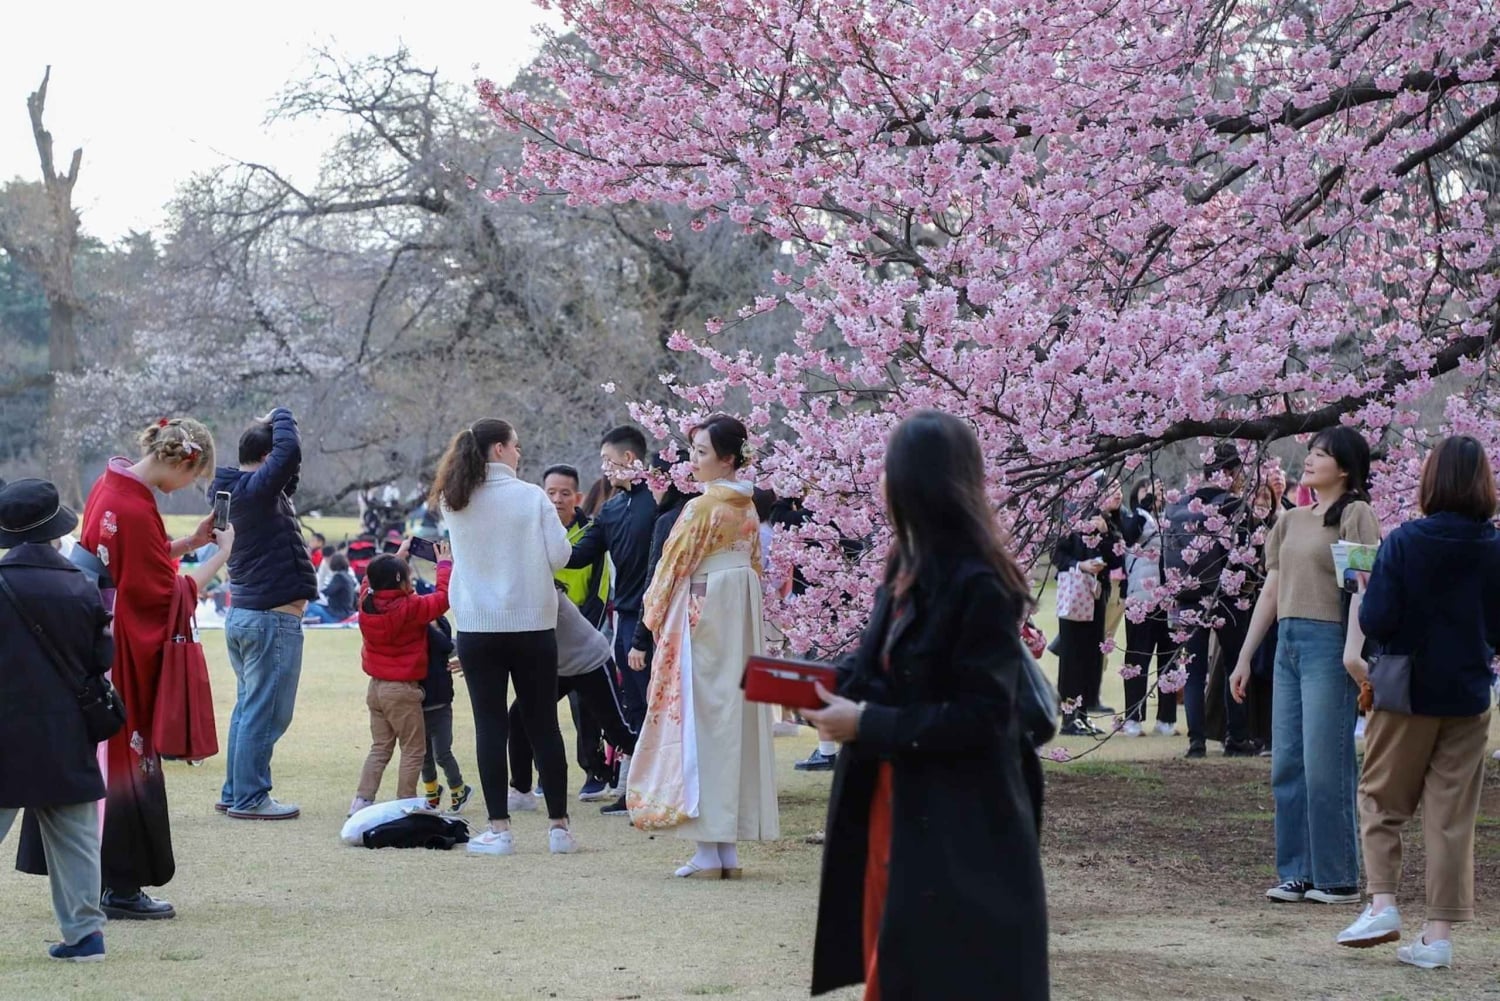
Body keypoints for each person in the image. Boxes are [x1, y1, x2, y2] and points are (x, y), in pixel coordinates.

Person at [805, 410, 1048, 1001]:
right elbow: (872, 668)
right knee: (896, 958)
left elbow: (985, 715)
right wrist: (800, 685)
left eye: (889, 469)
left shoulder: (981, 584)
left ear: (915, 482)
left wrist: (865, 722)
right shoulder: (905, 565)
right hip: (897, 794)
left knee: (944, 971)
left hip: (961, 813)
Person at [17, 418, 232, 921]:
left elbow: (136, 563)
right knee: (124, 760)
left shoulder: (110, 486)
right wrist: (219, 555)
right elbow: (163, 595)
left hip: (91, 643)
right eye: (193, 477)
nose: (187, 489)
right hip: (121, 651)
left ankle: (92, 877)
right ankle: (121, 885)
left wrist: (187, 543)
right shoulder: (136, 508)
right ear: (183, 460)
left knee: (91, 758)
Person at [1334, 436, 1500, 969]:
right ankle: (1438, 937)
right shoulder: (1495, 547)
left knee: (1381, 799)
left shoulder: (1406, 542)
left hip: (1406, 689)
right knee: (1451, 818)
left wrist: (1364, 585)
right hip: (1469, 693)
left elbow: (1379, 619)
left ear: (1430, 481)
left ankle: (1383, 903)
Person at [1231, 426, 1382, 905]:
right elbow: (1271, 590)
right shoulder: (1291, 520)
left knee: (1325, 763)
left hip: (1328, 643)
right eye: (1311, 451)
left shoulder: (1355, 514)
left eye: (1322, 454)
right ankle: (1295, 871)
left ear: (1344, 468)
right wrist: (1244, 654)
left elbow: (1363, 587)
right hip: (1288, 646)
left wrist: (1351, 652)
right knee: (1288, 763)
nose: (1311, 459)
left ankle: (1336, 876)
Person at [628, 414, 778, 877]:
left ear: (728, 459)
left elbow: (671, 568)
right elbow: (755, 564)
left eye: (702, 453)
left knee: (701, 722)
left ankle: (708, 851)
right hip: (739, 611)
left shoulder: (702, 508)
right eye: (693, 451)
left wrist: (651, 618)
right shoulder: (747, 507)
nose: (693, 461)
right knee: (731, 721)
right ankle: (724, 846)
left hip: (705, 612)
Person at [431, 419, 577, 857]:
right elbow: (560, 555)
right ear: (499, 449)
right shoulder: (532, 496)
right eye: (515, 446)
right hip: (533, 625)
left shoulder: (452, 500)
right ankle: (559, 828)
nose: (519, 453)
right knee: (544, 725)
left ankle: (499, 828)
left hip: (478, 626)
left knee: (490, 725)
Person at [0, 479, 114, 961]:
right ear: (54, 530)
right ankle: (85, 935)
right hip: (65, 731)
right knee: (77, 842)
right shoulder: (80, 586)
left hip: (5, 732)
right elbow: (100, 660)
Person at [211, 408, 318, 820]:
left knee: (247, 709)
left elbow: (289, 468)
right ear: (267, 457)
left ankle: (236, 791)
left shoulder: (243, 492)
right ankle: (251, 797)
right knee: (267, 711)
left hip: (248, 616)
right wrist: (283, 416)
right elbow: (287, 453)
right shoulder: (255, 492)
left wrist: (283, 438)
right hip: (271, 619)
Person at [604, 451, 694, 815]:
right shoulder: (696, 513)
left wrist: (641, 637)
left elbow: (655, 582)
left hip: (654, 627)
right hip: (689, 628)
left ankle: (647, 789)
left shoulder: (666, 518)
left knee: (647, 707)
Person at [564, 426, 660, 743]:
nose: (604, 468)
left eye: (607, 459)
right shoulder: (612, 508)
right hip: (623, 619)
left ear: (629, 458)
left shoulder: (660, 502)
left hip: (655, 618)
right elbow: (576, 556)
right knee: (632, 701)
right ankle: (632, 780)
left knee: (654, 701)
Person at [505, 588, 640, 812]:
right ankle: (521, 791)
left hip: (591, 661)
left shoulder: (544, 595)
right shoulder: (517, 593)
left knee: (616, 729)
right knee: (518, 716)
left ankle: (655, 783)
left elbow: (524, 641)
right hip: (559, 668)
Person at [348, 542, 453, 815]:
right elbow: (444, 597)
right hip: (403, 690)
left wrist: (398, 556)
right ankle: (406, 803)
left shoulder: (365, 602)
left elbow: (368, 579)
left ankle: (361, 801)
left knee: (380, 748)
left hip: (376, 688)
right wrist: (444, 564)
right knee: (413, 749)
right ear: (400, 580)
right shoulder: (411, 607)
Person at [1169, 443, 1258, 759]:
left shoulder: (1176, 507)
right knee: (1236, 663)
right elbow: (1249, 556)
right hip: (1228, 597)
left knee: (1193, 670)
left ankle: (1196, 741)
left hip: (1187, 597)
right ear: (1231, 472)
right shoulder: (1234, 506)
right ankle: (1236, 736)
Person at [542, 463, 614, 801]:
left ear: (578, 497)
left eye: (564, 493)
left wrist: (584, 630)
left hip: (581, 633)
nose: (557, 500)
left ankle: (594, 771)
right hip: (540, 634)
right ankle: (544, 775)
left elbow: (600, 588)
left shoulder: (591, 533)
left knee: (585, 706)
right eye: (550, 493)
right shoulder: (533, 532)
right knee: (535, 707)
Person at [1052, 482, 1122, 735]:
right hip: (1075, 596)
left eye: (1119, 488)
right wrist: (1081, 565)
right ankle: (1069, 718)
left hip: (1096, 596)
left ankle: (1082, 714)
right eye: (1111, 488)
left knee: (1091, 658)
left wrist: (1106, 535)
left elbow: (1116, 559)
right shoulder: (1073, 519)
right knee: (1072, 657)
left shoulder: (1110, 521)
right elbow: (1058, 557)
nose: (1118, 493)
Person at [1120, 477, 1178, 737]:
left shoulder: (1167, 519)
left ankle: (1166, 719)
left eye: (1157, 489)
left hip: (1167, 600)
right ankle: (1133, 718)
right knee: (1137, 657)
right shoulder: (1137, 518)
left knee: (1169, 659)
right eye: (1146, 489)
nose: (1155, 493)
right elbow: (1128, 536)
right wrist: (1144, 504)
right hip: (1141, 599)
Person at [420, 613, 472, 813]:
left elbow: (453, 646)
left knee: (442, 753)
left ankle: (459, 789)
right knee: (423, 754)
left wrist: (432, 627)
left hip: (441, 706)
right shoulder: (414, 643)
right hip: (418, 706)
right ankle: (432, 792)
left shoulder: (442, 642)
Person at [305, 552, 357, 624]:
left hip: (337, 616)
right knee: (314, 610)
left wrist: (315, 594)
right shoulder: (348, 576)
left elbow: (328, 592)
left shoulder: (339, 577)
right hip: (346, 612)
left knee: (311, 606)